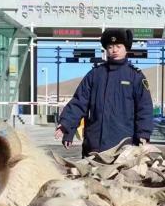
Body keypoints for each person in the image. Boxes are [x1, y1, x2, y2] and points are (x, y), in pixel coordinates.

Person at [55, 28, 154, 156]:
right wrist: (66, 126)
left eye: (118, 46)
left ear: (126, 48)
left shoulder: (135, 76)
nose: (114, 50)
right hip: (94, 145)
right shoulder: (95, 75)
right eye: (110, 47)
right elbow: (79, 103)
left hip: (124, 147)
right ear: (106, 50)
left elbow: (144, 108)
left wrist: (143, 134)